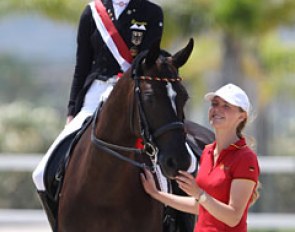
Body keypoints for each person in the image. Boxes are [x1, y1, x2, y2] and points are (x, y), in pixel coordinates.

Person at [32, 0, 163, 229]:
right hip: (96, 93)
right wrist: (73, 109)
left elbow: (148, 64)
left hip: (132, 97)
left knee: (165, 173)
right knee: (41, 172)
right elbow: (81, 65)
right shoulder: (93, 12)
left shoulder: (151, 12)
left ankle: (172, 220)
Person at [141, 83, 260, 232]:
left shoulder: (245, 157)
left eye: (226, 106)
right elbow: (202, 206)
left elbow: (233, 217)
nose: (217, 109)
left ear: (241, 117)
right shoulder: (207, 152)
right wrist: (157, 194)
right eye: (215, 104)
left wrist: (199, 194)